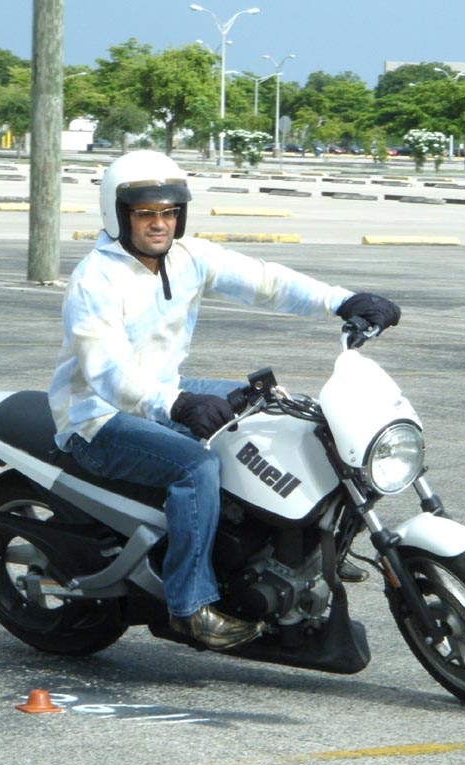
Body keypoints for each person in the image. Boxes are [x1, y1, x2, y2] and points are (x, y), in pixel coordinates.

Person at [48, 150, 400, 651]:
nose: (159, 223)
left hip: (164, 390)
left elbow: (266, 282)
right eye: (145, 213)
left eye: (170, 212)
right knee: (194, 467)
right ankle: (190, 606)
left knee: (290, 412)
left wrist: (341, 301)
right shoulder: (95, 279)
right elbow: (106, 372)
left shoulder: (189, 257)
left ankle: (318, 546)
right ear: (118, 214)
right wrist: (178, 405)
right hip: (97, 417)